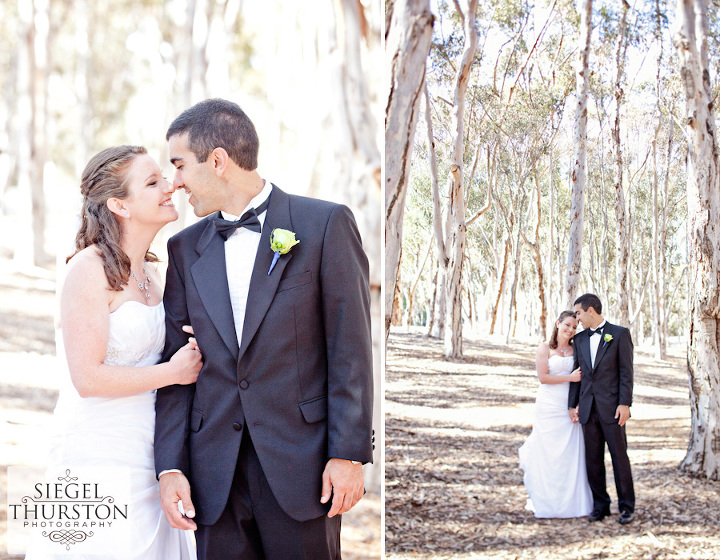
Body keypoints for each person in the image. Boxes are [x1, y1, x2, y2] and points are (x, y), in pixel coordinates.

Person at [154, 98, 374, 560]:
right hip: (213, 475)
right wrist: (170, 468)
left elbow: (350, 351)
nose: (174, 183)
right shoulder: (183, 248)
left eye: (179, 166)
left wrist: (349, 454)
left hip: (304, 468)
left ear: (217, 161)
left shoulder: (324, 225)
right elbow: (176, 368)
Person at [25, 146, 202, 559]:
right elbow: (87, 378)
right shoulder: (88, 269)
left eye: (165, 177)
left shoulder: (154, 273)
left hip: (149, 447)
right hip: (96, 447)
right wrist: (173, 373)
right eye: (153, 182)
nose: (170, 186)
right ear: (119, 204)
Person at [519, 310, 592, 518]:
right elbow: (543, 377)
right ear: (558, 323)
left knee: (571, 451)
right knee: (548, 450)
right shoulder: (545, 347)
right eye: (567, 325)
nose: (570, 330)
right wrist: (570, 378)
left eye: (574, 327)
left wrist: (576, 403)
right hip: (549, 404)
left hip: (568, 404)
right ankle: (547, 500)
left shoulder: (575, 348)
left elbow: (581, 378)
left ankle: (572, 503)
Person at [569, 293, 635, 524]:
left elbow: (627, 373)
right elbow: (577, 376)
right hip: (588, 409)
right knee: (593, 460)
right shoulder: (579, 340)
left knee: (619, 458)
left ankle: (626, 507)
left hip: (613, 409)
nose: (577, 319)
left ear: (591, 310)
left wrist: (625, 403)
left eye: (578, 313)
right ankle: (601, 506)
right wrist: (572, 405)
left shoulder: (619, 334)